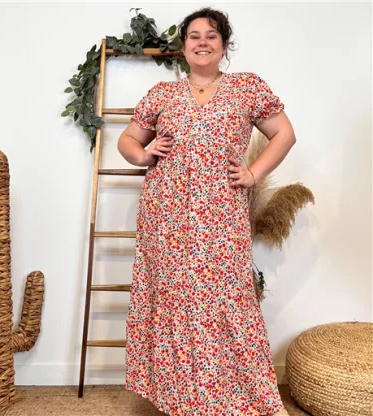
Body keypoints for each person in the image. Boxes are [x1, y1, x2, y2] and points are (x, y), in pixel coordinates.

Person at [117, 7, 296, 416]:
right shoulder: (162, 94)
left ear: (224, 45)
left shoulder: (247, 88)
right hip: (166, 215)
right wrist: (143, 155)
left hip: (221, 214)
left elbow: (284, 134)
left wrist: (253, 172)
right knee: (175, 299)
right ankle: (182, 399)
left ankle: (232, 397)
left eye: (211, 35)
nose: (202, 42)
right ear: (183, 47)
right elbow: (127, 140)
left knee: (227, 297)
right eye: (194, 36)